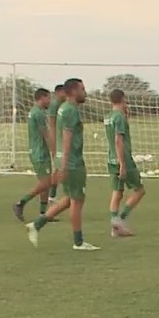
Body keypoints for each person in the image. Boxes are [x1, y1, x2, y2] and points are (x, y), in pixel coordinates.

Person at [26, 78, 100, 250]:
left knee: (67, 200)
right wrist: (64, 165)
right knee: (77, 200)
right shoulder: (70, 111)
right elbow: (66, 138)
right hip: (72, 162)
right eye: (82, 88)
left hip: (65, 159)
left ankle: (36, 225)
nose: (85, 91)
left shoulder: (64, 109)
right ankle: (78, 242)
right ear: (74, 91)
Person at [104, 89, 146, 237]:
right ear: (123, 99)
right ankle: (120, 220)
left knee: (117, 191)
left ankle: (115, 227)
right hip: (124, 159)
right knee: (139, 190)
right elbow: (118, 140)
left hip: (110, 159)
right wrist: (123, 164)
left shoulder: (108, 117)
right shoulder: (119, 117)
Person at [13, 88, 53, 221]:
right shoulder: (39, 113)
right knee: (46, 182)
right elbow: (45, 134)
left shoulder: (36, 111)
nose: (50, 101)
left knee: (46, 183)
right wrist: (55, 152)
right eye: (48, 98)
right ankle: (21, 202)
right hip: (40, 152)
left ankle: (43, 214)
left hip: (38, 151)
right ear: (41, 98)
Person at [46, 84, 65, 203]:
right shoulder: (54, 106)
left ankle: (52, 195)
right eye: (63, 92)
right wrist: (53, 147)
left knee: (59, 169)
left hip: (62, 140)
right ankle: (52, 196)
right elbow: (51, 127)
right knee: (58, 169)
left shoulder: (63, 105)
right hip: (57, 142)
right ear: (58, 93)